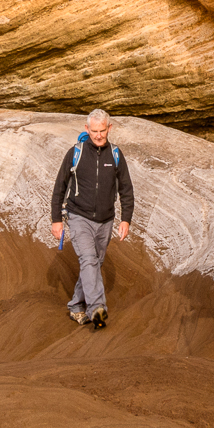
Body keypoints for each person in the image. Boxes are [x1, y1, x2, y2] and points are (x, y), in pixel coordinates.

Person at [50, 110, 134, 329]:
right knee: (89, 260)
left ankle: (76, 306)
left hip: (106, 220)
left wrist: (126, 219)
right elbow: (59, 187)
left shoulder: (115, 154)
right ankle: (97, 310)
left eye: (102, 131)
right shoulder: (75, 153)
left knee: (94, 264)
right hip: (79, 217)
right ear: (87, 129)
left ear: (110, 128)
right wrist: (56, 219)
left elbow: (126, 188)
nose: (98, 136)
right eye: (94, 131)